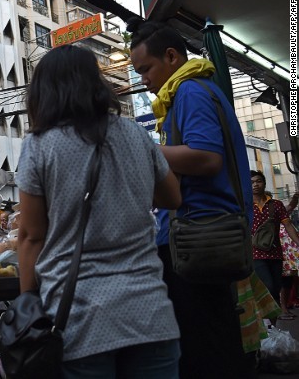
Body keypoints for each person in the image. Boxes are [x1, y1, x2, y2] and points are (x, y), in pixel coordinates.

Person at [16, 45, 182, 377]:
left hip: (80, 317)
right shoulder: (135, 133)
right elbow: (172, 197)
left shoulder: (39, 146)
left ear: (43, 93)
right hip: (150, 313)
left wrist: (26, 303)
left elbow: (32, 236)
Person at [128, 19, 255, 378]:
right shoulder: (187, 92)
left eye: (146, 69)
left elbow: (206, 156)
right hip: (196, 233)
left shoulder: (191, 92)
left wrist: (145, 150)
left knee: (204, 343)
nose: (144, 80)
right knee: (207, 336)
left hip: (200, 234)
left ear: (171, 56)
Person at [250, 170, 299, 316]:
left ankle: (273, 323)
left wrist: (297, 242)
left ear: (264, 183)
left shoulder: (276, 205)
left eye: (258, 181)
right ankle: (267, 319)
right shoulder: (245, 205)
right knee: (269, 286)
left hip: (275, 253)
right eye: (251, 182)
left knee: (277, 287)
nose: (255, 185)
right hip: (255, 253)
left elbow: (288, 225)